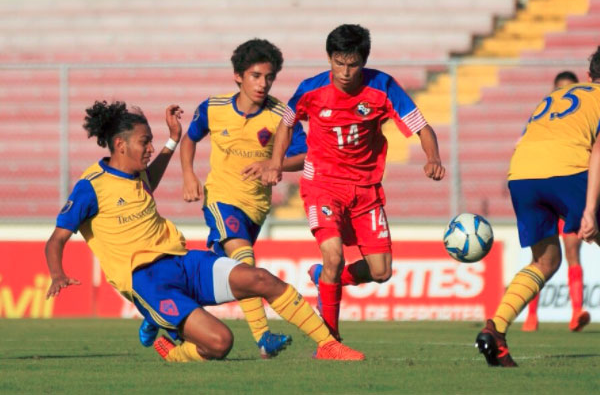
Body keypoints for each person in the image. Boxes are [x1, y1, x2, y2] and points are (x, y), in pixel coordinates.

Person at [45, 100, 364, 362]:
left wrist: (172, 140)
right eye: (145, 142)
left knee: (261, 279)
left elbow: (148, 183)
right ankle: (172, 352)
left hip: (183, 261)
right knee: (220, 343)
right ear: (120, 144)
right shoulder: (91, 187)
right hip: (148, 281)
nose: (150, 148)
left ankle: (328, 345)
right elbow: (56, 238)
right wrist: (58, 273)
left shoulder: (136, 175)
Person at [475, 46, 600, 368]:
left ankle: (495, 329)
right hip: (569, 170)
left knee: (545, 260)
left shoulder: (555, 96)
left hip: (521, 173)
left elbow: (524, 139)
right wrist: (589, 207)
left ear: (590, 75)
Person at [261, 24, 445, 340]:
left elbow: (422, 127)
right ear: (330, 58)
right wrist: (276, 163)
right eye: (338, 62)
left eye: (353, 64)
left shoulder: (383, 87)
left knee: (381, 271)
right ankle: (330, 339)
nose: (345, 72)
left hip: (366, 190)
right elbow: (286, 124)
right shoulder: (311, 89)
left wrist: (433, 158)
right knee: (333, 255)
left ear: (363, 61)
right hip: (322, 184)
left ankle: (327, 278)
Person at [176, 38, 307, 359]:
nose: (263, 83)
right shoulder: (213, 108)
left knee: (231, 274)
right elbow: (189, 140)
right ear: (238, 76)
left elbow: (305, 156)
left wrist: (274, 164)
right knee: (243, 260)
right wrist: (189, 175)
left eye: (269, 77)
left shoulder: (281, 115)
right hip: (221, 198)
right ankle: (264, 337)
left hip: (257, 207)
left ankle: (167, 314)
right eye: (256, 76)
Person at [522, 71, 590, 333]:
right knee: (540, 257)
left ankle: (576, 313)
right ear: (553, 91)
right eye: (562, 90)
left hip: (569, 194)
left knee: (573, 251)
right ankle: (531, 315)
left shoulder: (582, 121)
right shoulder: (540, 117)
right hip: (542, 193)